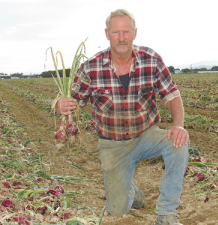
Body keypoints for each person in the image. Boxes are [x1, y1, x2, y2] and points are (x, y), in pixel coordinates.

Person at [55, 9, 189, 225]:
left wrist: (179, 125)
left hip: (146, 135)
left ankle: (166, 214)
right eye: (116, 32)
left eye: (126, 31)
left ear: (134, 33)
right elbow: (74, 101)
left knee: (179, 142)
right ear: (107, 34)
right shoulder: (91, 67)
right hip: (112, 146)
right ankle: (131, 189)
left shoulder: (151, 59)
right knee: (117, 211)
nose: (121, 37)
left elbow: (172, 95)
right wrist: (61, 105)